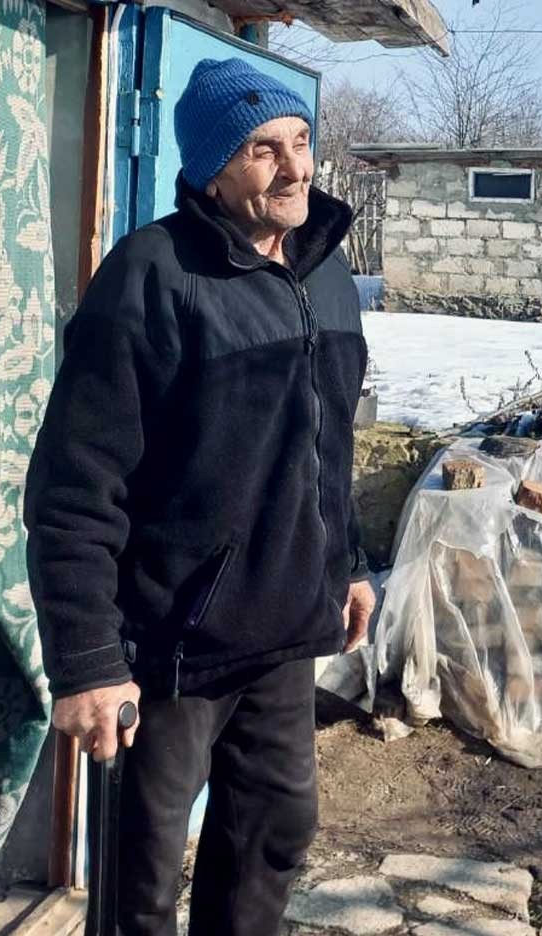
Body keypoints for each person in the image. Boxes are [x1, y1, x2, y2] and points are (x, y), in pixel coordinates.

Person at [26, 57, 376, 936]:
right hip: (170, 643)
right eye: (264, 150)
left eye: (300, 142)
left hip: (285, 633)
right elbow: (77, 484)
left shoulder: (326, 272)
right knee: (139, 879)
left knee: (273, 837)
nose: (295, 168)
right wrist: (87, 661)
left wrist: (351, 566)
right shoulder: (151, 275)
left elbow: (326, 446)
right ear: (213, 171)